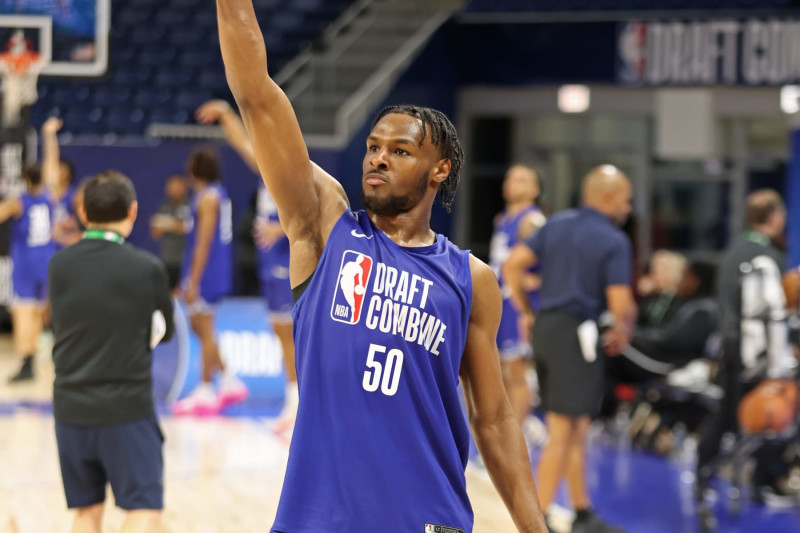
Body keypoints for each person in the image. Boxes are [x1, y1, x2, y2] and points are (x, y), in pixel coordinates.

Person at [217, 1, 548, 531]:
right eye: (373, 146)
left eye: (399, 150)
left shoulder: (471, 278)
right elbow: (257, 98)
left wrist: (535, 528)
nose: (378, 157)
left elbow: (495, 418)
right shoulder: (325, 230)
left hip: (427, 518)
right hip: (319, 518)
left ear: (439, 169)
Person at [504, 165, 637, 533]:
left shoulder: (556, 223)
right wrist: (623, 328)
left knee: (575, 425)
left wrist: (526, 311)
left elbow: (513, 264)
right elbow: (620, 302)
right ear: (609, 199)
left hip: (546, 329)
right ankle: (537, 520)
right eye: (626, 200)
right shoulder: (613, 240)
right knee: (561, 432)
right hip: (577, 334)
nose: (628, 208)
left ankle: (581, 512)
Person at [49, 170, 174, 533]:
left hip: (70, 411)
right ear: (133, 212)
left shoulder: (59, 265)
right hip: (126, 410)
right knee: (144, 509)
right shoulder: (146, 268)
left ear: (83, 214)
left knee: (86, 512)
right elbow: (164, 333)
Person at [195, 100, 298, 430]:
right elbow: (241, 143)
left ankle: (297, 403)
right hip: (270, 258)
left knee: (288, 331)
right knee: (279, 329)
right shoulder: (269, 164)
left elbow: (318, 213)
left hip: (286, 256)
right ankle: (295, 399)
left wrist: (278, 228)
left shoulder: (294, 167)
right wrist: (226, 114)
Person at [696, 189, 794, 507]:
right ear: (776, 217)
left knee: (726, 414)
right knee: (770, 418)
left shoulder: (732, 251)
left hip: (728, 346)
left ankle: (702, 475)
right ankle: (763, 482)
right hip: (754, 352)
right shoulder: (767, 257)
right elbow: (769, 315)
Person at [171, 147, 247, 416]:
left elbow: (203, 242)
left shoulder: (207, 198)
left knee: (204, 328)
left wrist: (193, 280)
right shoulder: (211, 194)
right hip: (211, 270)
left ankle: (206, 388)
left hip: (209, 271)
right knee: (200, 327)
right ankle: (228, 380)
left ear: (197, 168)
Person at [488, 164, 546, 428]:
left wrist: (533, 282)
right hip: (500, 300)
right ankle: (508, 432)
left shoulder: (532, 221)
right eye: (511, 177)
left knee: (517, 371)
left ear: (534, 190)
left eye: (522, 179)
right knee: (500, 372)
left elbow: (553, 266)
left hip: (520, 304)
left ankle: (518, 434)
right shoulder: (503, 219)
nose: (513, 183)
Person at [609, 260, 719, 384]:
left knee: (612, 345)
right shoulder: (689, 303)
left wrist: (633, 335)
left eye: (686, 276)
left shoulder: (703, 309)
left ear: (697, 280)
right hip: (664, 355)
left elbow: (672, 341)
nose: (681, 281)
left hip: (671, 364)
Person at [1, 164, 55, 382]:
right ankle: (39, 349)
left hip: (25, 264)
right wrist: (50, 135)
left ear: (25, 179)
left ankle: (27, 361)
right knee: (39, 312)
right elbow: (52, 160)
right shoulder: (49, 196)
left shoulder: (19, 202)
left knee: (23, 313)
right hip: (45, 261)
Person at [41, 117, 80, 247]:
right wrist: (49, 135)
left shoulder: (74, 196)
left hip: (65, 247)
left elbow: (84, 225)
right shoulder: (48, 192)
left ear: (69, 175)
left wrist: (68, 226)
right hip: (44, 248)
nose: (58, 171)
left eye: (63, 170)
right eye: (58, 168)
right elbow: (51, 158)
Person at [150, 175, 190, 291]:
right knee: (166, 292)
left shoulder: (190, 205)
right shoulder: (164, 207)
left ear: (184, 188)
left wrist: (167, 224)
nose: (173, 190)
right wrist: (175, 225)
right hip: (167, 260)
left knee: (183, 292)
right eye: (170, 187)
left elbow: (186, 228)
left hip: (184, 260)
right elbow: (155, 232)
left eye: (176, 187)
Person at [636, 250, 686, 329]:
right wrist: (643, 296)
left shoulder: (679, 299)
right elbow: (640, 322)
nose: (652, 274)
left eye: (656, 271)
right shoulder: (654, 297)